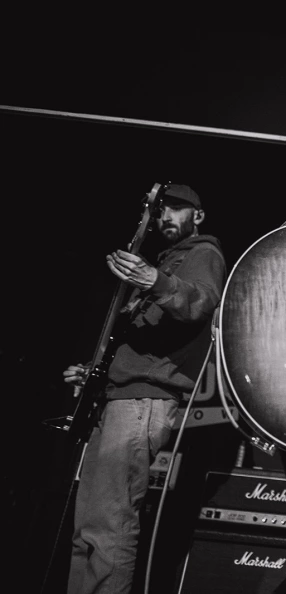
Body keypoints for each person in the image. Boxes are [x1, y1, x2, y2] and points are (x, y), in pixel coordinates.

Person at [62, 184, 226, 594]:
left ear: (197, 216)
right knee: (88, 528)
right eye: (159, 210)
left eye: (175, 209)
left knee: (109, 526)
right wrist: (94, 371)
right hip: (120, 396)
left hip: (142, 401)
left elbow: (200, 303)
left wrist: (157, 281)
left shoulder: (202, 253)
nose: (164, 216)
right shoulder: (165, 260)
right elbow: (138, 342)